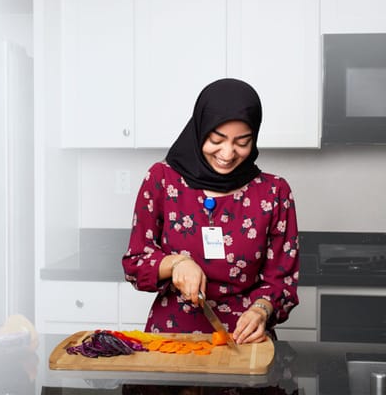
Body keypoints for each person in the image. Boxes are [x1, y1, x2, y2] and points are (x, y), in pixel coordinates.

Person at [121, 78, 299, 344]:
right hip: (172, 336)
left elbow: (281, 281)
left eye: (242, 142)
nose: (227, 153)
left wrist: (262, 310)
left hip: (246, 340)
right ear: (199, 130)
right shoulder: (161, 180)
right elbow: (135, 263)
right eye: (216, 140)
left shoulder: (275, 192)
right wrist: (176, 263)